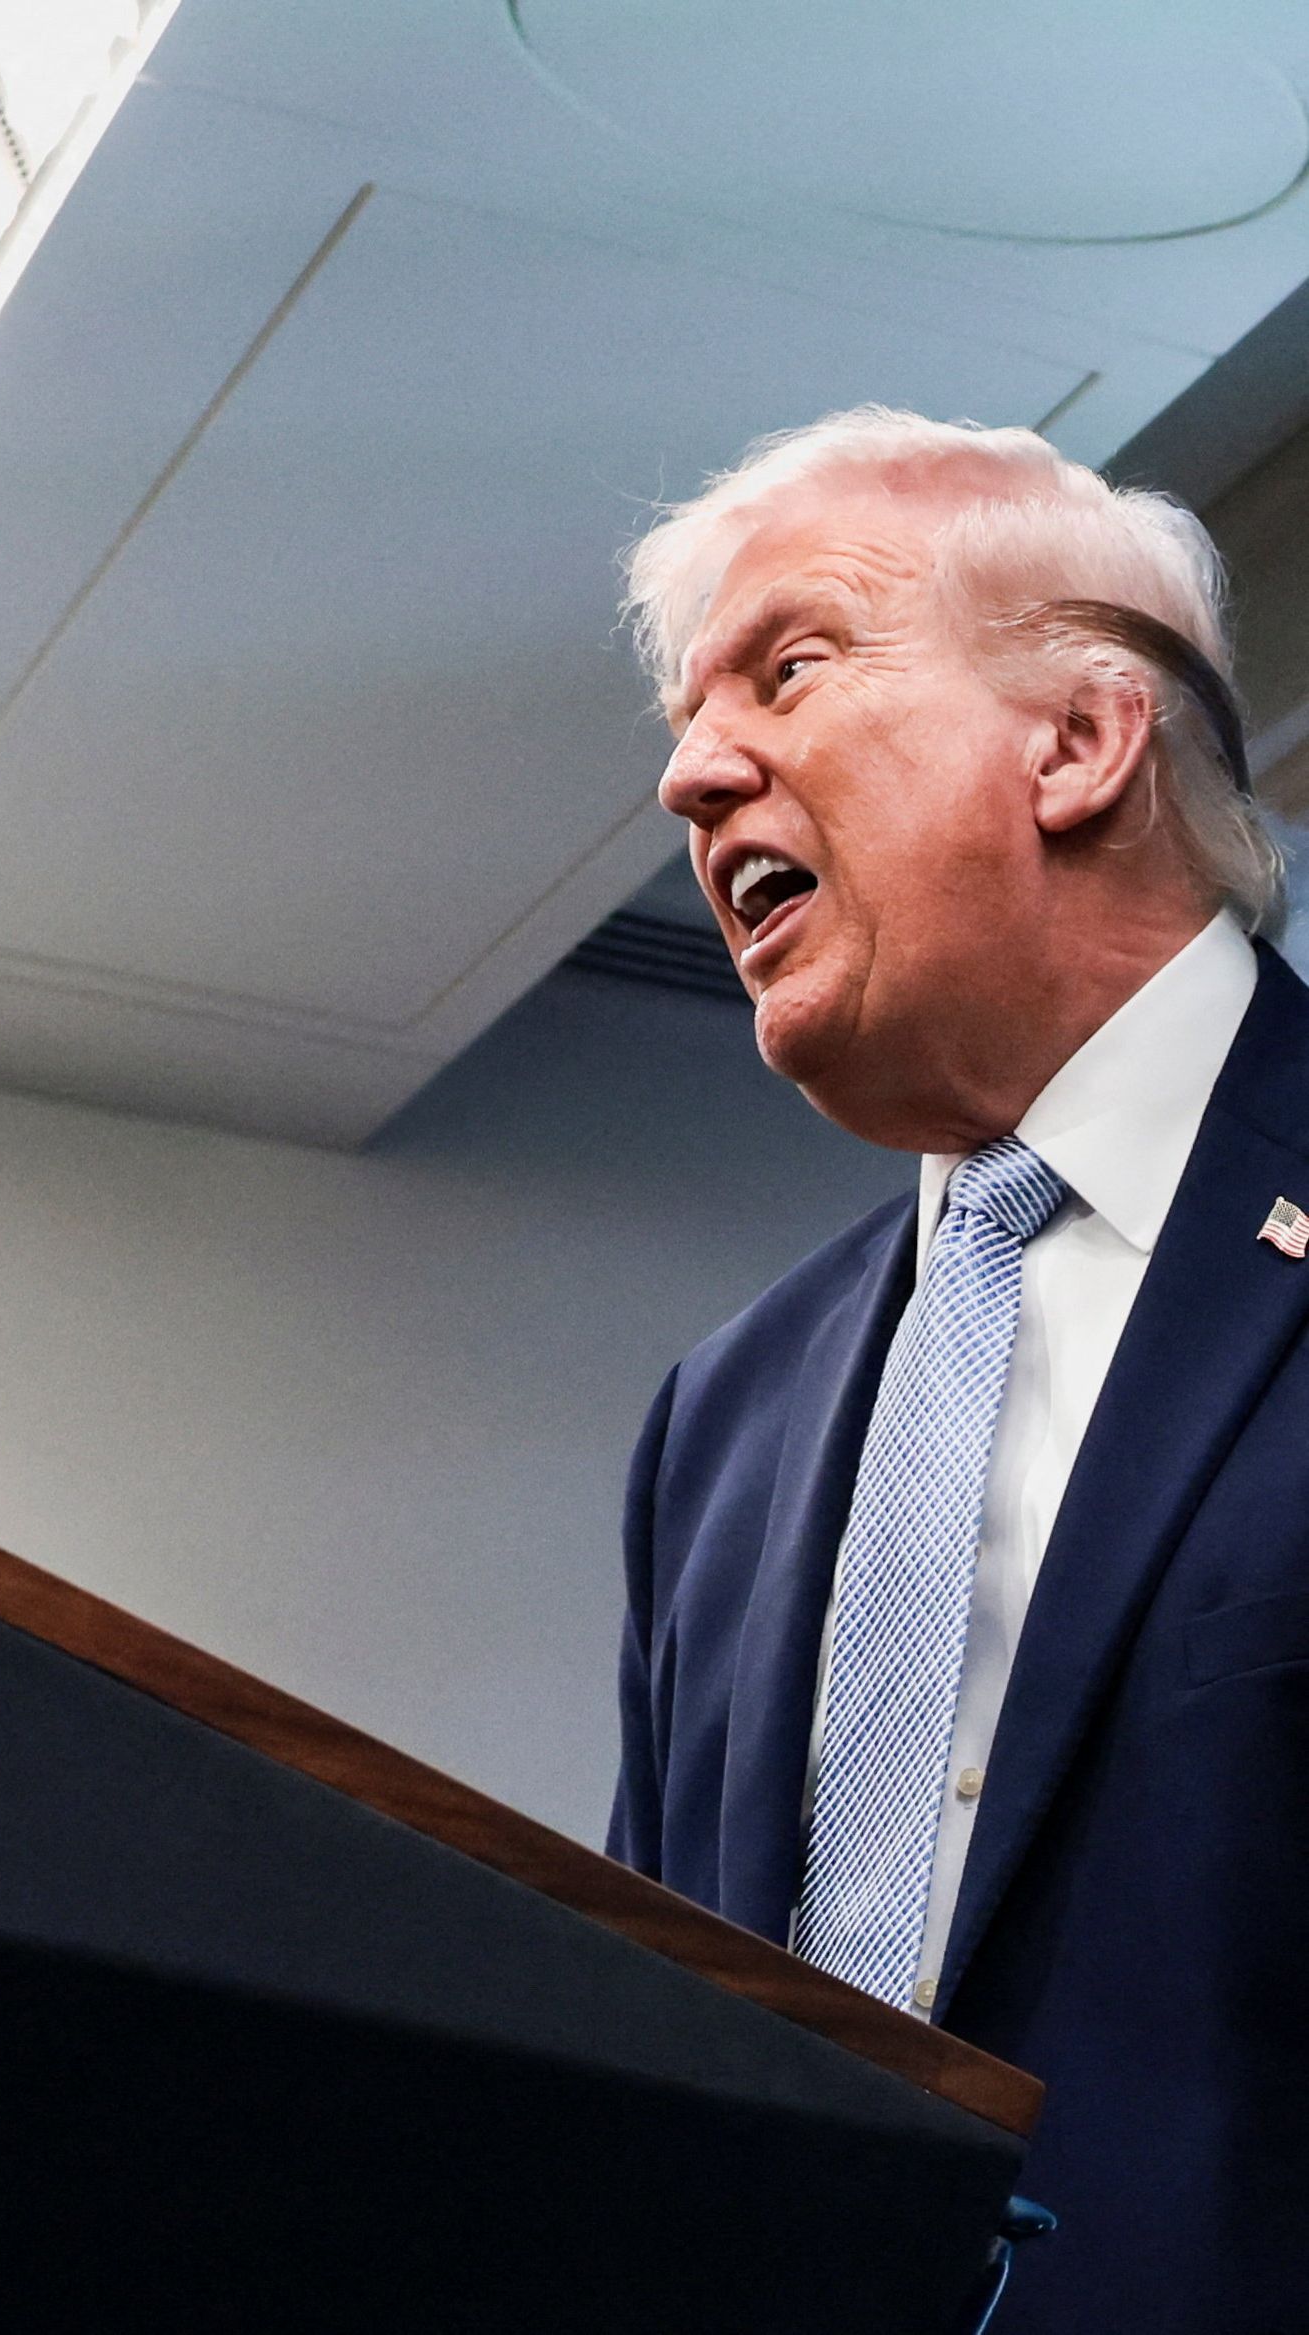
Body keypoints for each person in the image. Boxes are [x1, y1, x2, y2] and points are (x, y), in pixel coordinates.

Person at [607, 406, 1304, 2332]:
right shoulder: (723, 1421)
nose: (691, 773)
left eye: (792, 667)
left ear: (1079, 744)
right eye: (687, 715)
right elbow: (652, 2049)